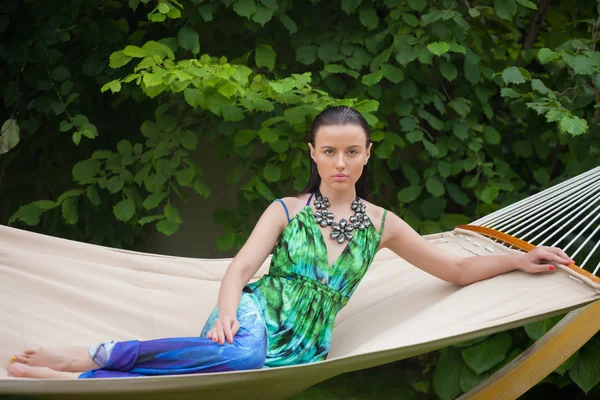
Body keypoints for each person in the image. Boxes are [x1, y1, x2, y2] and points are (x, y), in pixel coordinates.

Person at [7, 106, 574, 379]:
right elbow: (238, 270)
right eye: (329, 151)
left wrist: (520, 261)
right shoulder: (285, 210)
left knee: (244, 365)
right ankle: (99, 357)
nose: (341, 162)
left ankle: (94, 377)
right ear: (312, 154)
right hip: (253, 316)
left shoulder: (382, 224)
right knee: (242, 354)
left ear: (368, 155)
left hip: (305, 344)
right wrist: (228, 315)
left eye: (352, 151)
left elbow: (452, 270)